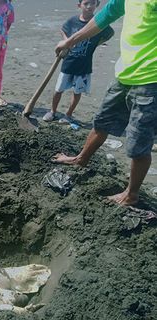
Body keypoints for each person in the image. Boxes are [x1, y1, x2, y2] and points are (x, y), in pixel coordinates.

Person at [53, 0, 157, 206]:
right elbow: (103, 18)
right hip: (124, 75)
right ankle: (81, 159)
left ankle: (131, 195)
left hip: (151, 81)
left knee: (138, 142)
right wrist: (70, 41)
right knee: (101, 122)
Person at [43, 0, 114, 123]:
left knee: (77, 92)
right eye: (86, 3)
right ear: (79, 6)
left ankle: (68, 115)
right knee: (58, 89)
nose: (89, 6)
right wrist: (67, 42)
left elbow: (110, 33)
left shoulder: (98, 23)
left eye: (92, 3)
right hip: (68, 63)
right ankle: (52, 112)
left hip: (84, 66)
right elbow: (63, 30)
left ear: (97, 4)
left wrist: (97, 43)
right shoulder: (73, 21)